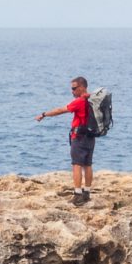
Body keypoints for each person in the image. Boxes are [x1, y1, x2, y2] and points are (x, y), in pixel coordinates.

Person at [35, 76, 95, 205]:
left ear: (82, 87)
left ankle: (78, 195)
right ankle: (87, 193)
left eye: (74, 88)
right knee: (88, 164)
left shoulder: (79, 101)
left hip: (79, 137)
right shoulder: (92, 99)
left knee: (77, 165)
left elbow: (60, 110)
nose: (72, 91)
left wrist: (44, 114)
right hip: (90, 135)